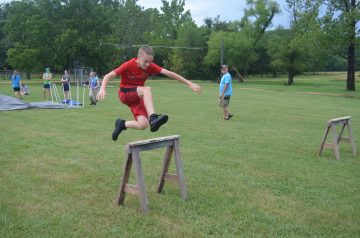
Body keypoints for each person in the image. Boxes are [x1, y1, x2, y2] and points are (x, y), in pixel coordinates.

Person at [96, 45, 202, 141]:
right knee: (146, 89)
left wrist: (189, 83)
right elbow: (108, 76)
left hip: (137, 97)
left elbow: (169, 73)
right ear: (138, 58)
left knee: (143, 124)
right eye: (145, 61)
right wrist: (103, 89)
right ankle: (153, 117)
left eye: (150, 62)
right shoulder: (128, 65)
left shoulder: (150, 66)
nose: (148, 64)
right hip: (125, 94)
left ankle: (122, 124)